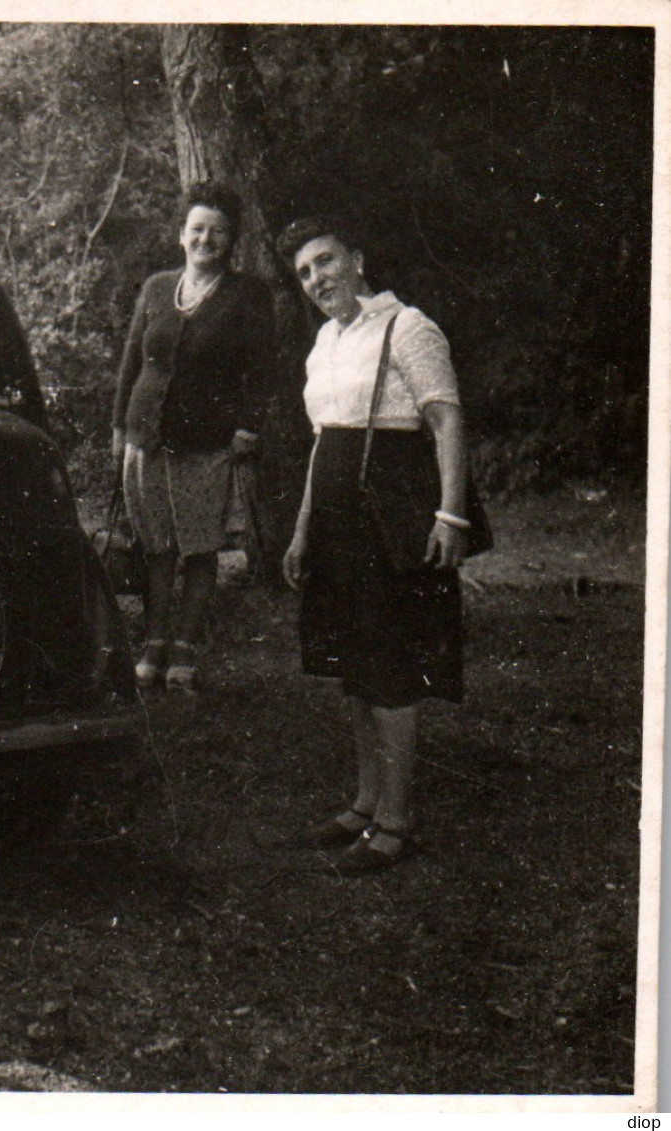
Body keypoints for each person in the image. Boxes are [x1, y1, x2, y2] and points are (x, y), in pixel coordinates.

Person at [277, 215, 471, 875]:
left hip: (392, 514)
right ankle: (364, 802)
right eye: (304, 273)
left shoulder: (408, 327)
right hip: (336, 520)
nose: (317, 280)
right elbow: (321, 443)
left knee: (390, 666)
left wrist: (450, 515)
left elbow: (445, 419)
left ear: (357, 258)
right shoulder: (326, 343)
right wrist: (303, 529)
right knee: (356, 667)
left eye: (325, 261)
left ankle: (396, 819)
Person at [111, 183, 275, 692]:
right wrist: (119, 428)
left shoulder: (248, 294)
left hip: (206, 443)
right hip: (146, 438)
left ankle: (184, 647)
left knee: (199, 549)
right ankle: (154, 641)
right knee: (156, 547)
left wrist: (248, 426)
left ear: (230, 241)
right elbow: (131, 363)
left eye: (218, 231)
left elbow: (263, 369)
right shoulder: (158, 287)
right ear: (181, 234)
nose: (206, 239)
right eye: (197, 229)